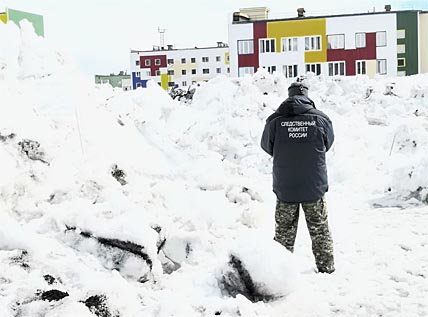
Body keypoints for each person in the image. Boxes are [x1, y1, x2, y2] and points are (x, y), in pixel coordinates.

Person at [261, 81, 335, 274]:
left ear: (289, 95)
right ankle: (326, 268)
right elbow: (327, 143)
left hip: (286, 185)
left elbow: (267, 146)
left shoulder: (274, 120)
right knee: (319, 228)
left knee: (284, 231)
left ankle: (281, 272)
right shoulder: (321, 119)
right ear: (307, 96)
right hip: (314, 185)